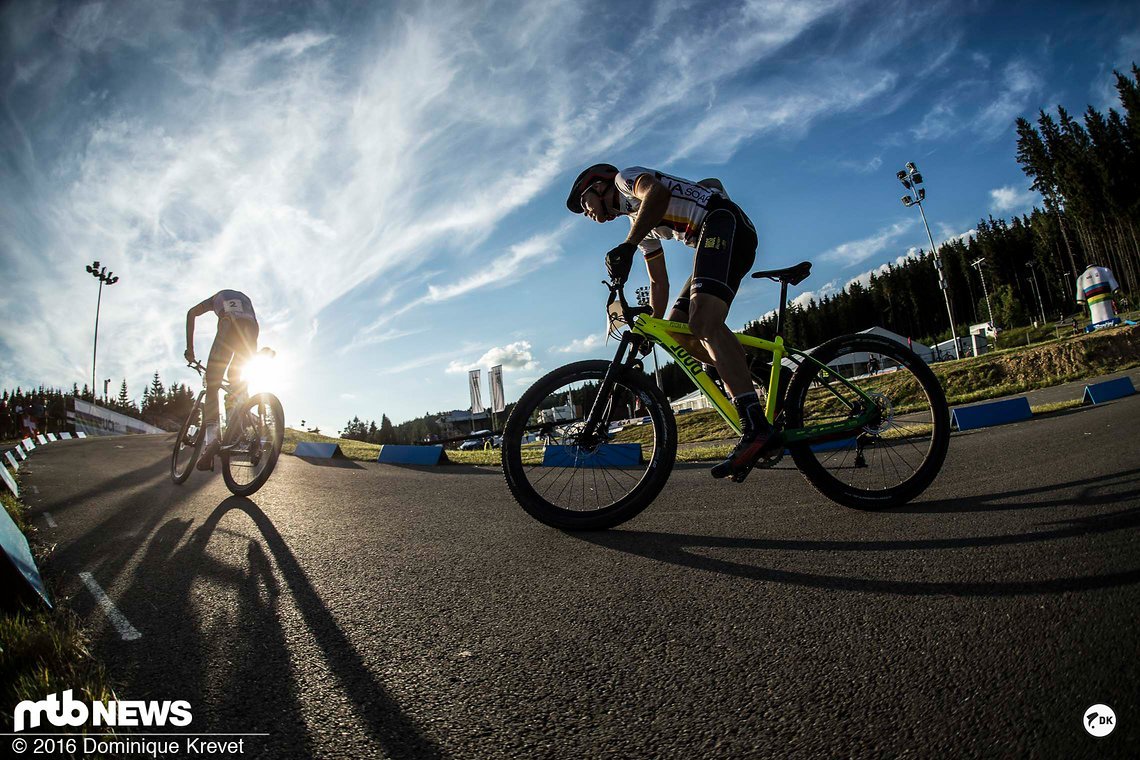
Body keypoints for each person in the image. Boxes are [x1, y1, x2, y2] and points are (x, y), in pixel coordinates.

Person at [566, 163, 778, 480]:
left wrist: (628, 245)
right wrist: (650, 326)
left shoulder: (626, 180)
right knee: (681, 333)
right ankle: (760, 372)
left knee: (703, 322)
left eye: (584, 204)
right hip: (712, 236)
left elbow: (657, 192)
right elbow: (658, 285)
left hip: (722, 223)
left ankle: (755, 426)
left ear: (598, 187)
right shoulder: (639, 224)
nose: (587, 214)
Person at [184, 290, 259, 470]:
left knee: (212, 383)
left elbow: (191, 313)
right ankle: (239, 427)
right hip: (252, 331)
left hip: (229, 325)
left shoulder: (215, 298)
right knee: (235, 379)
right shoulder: (244, 297)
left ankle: (212, 441)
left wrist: (190, 349)